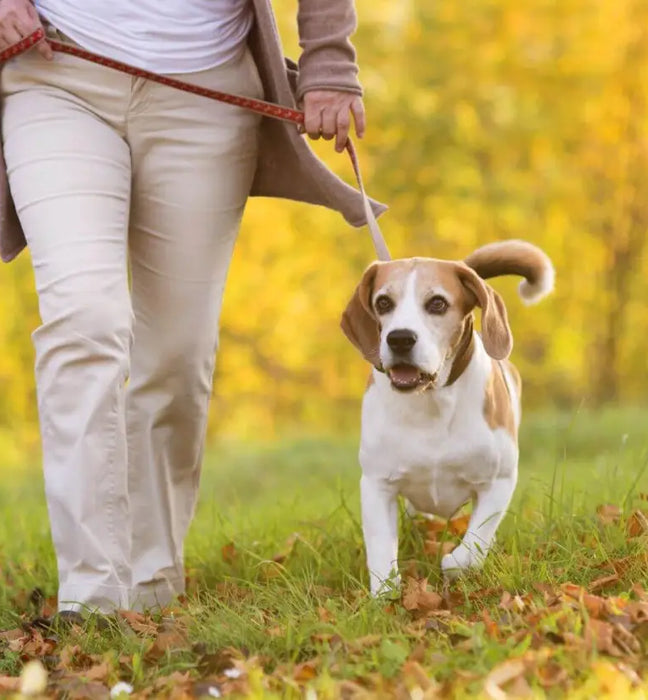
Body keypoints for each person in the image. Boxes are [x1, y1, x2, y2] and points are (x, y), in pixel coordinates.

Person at [0, 0, 384, 616]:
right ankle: (92, 594)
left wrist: (331, 65)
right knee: (84, 318)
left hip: (205, 94)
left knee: (177, 357)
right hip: (55, 71)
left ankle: (151, 585)